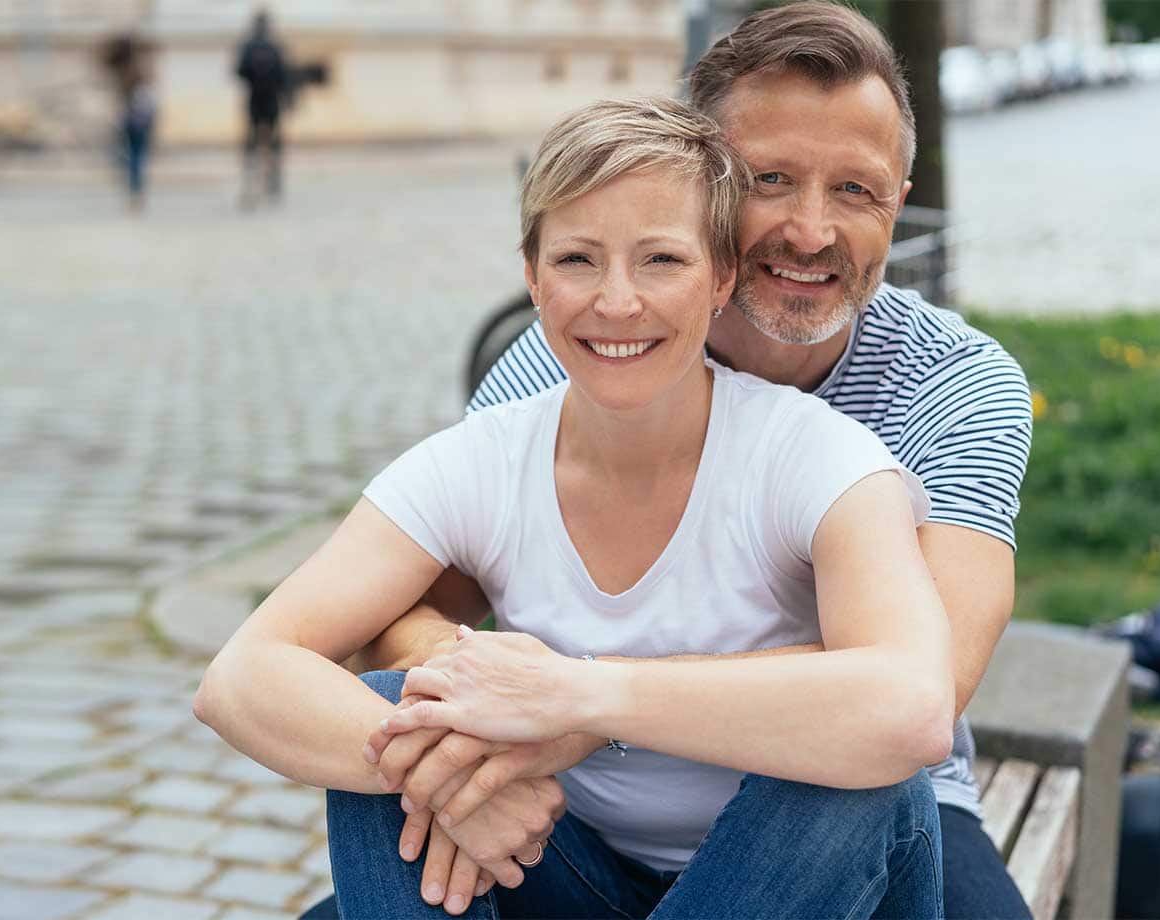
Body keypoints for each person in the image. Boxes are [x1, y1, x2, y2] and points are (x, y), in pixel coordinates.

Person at [331, 3, 1035, 918]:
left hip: (846, 801)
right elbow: (405, 602)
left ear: (900, 198)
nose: (812, 230)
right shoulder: (588, 347)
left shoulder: (956, 382)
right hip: (586, 806)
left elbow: (919, 689)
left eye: (856, 191)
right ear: (703, 180)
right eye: (771, 178)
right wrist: (468, 693)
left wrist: (578, 698)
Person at [197, 93, 957, 919]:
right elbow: (241, 676)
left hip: (790, 877)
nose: (617, 301)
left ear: (721, 279)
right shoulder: (483, 460)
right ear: (531, 276)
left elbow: (912, 704)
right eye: (577, 260)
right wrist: (445, 781)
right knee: (391, 717)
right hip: (567, 865)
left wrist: (583, 695)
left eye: (661, 260)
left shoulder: (819, 459)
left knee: (862, 784)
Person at [234, 8, 288, 209]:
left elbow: (239, 71)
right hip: (272, 101)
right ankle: (273, 176)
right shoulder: (275, 47)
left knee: (252, 140)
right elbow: (284, 75)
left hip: (254, 100)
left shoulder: (247, 47)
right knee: (273, 140)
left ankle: (253, 175)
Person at [99, 34, 156, 212]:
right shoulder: (139, 69)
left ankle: (134, 192)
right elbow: (148, 95)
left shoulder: (122, 71)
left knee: (132, 155)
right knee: (137, 155)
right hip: (141, 118)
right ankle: (136, 191)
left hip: (129, 118)